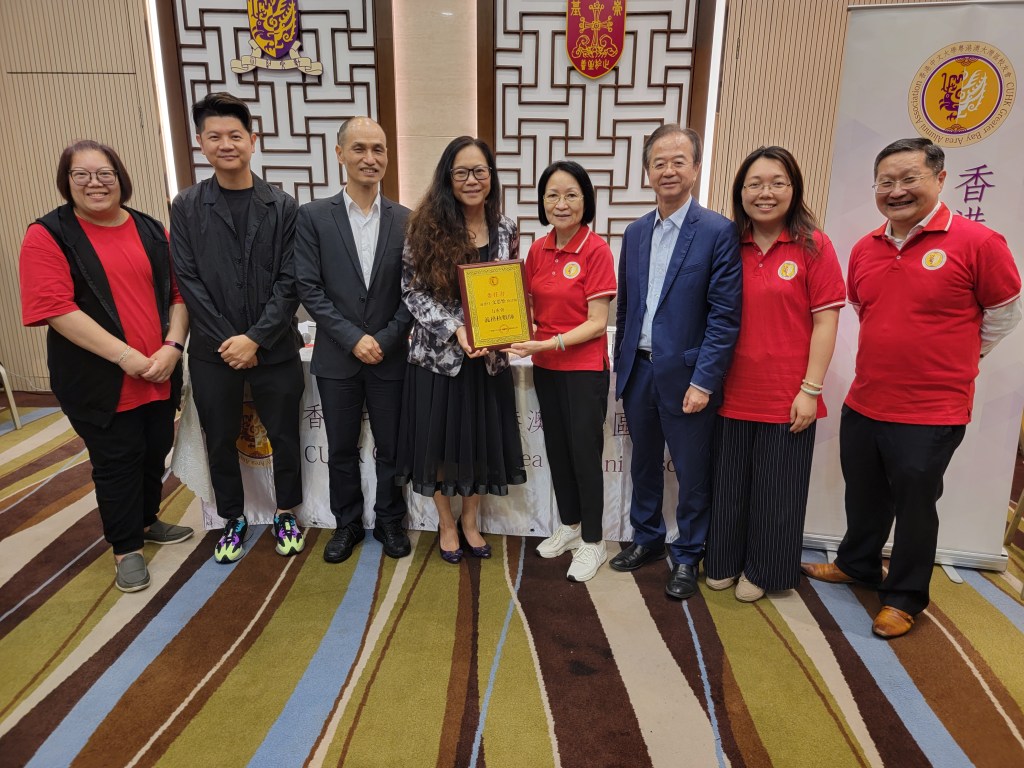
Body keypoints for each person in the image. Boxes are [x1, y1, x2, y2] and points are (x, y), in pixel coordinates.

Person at [801, 138, 1021, 638]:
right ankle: (857, 563)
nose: (896, 190)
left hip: (932, 409)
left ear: (939, 179)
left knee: (916, 507)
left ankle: (903, 598)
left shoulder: (979, 242)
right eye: (886, 182)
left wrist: (963, 356)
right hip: (866, 398)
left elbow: (1004, 314)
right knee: (864, 494)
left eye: (909, 179)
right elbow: (866, 310)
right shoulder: (865, 248)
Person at [19, 140, 193, 593]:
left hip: (158, 369)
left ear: (120, 178)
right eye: (81, 175)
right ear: (67, 181)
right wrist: (126, 357)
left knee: (154, 449)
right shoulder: (49, 234)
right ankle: (126, 548)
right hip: (100, 378)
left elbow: (179, 294)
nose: (94, 183)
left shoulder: (150, 228)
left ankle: (147, 521)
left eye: (105, 174)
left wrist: (173, 347)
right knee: (117, 459)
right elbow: (56, 309)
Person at [704, 146, 845, 603]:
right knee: (728, 486)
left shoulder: (813, 245)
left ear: (794, 188)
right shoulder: (727, 242)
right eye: (755, 184)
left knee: (777, 492)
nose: (765, 193)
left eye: (777, 183)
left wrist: (811, 389)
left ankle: (764, 569)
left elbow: (826, 322)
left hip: (789, 395)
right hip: (730, 389)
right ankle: (723, 559)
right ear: (740, 191)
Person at [170, 92, 306, 564]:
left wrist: (255, 338)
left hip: (275, 347)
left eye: (235, 135)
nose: (225, 144)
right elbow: (187, 279)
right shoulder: (186, 206)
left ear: (253, 140)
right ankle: (232, 517)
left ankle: (286, 512)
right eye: (215, 137)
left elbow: (291, 280)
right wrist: (232, 341)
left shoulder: (283, 206)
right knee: (220, 436)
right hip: (214, 351)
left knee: (285, 435)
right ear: (201, 143)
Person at [612, 124, 742, 599]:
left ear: (696, 168)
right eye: (659, 162)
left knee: (691, 472)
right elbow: (626, 307)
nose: (668, 170)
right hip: (639, 371)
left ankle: (688, 553)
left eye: (678, 161)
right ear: (647, 171)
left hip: (689, 377)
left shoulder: (717, 231)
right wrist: (622, 364)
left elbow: (724, 316)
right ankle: (647, 537)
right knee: (643, 464)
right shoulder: (635, 232)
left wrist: (704, 381)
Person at [396, 136, 527, 563]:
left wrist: (512, 324)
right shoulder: (423, 226)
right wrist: (456, 329)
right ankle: (446, 523)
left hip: (488, 362)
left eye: (480, 171)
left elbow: (509, 287)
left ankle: (470, 520)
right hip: (439, 360)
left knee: (479, 446)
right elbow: (411, 292)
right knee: (437, 447)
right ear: (447, 178)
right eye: (462, 172)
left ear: (491, 176)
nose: (472, 180)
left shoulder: (506, 228)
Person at [294, 117, 412, 564]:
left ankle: (389, 520)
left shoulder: (406, 219)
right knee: (341, 447)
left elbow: (413, 292)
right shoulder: (313, 216)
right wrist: (352, 338)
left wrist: (384, 338)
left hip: (390, 355)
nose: (370, 157)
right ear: (340, 153)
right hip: (337, 357)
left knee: (391, 447)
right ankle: (346, 523)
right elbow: (309, 288)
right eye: (359, 148)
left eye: (378, 149)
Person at [510, 161, 616, 582]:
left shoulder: (596, 250)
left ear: (586, 200)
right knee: (557, 449)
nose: (561, 203)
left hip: (584, 369)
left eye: (571, 194)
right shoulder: (538, 250)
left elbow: (597, 322)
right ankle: (570, 525)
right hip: (546, 367)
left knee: (584, 454)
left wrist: (550, 342)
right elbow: (526, 308)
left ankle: (594, 540)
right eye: (552, 195)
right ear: (542, 202)